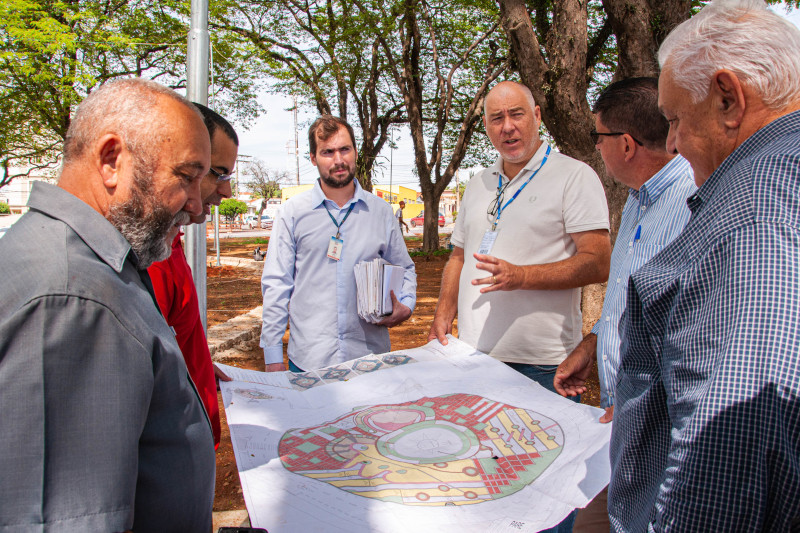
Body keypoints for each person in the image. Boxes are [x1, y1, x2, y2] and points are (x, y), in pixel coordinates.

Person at [608, 1, 800, 530]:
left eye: (673, 121)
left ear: (727, 98)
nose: (669, 143)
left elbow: (730, 442)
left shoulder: (750, 215)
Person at [0, 79, 215, 530]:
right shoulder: (73, 301)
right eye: (186, 176)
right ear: (112, 160)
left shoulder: (89, 268)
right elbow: (63, 517)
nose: (197, 206)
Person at [552, 77, 696, 532]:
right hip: (620, 425)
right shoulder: (637, 200)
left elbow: (688, 329)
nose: (597, 148)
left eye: (599, 137)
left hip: (661, 432)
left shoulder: (696, 199)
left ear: (627, 144)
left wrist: (639, 403)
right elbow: (630, 297)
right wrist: (592, 344)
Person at [428, 80, 611, 395]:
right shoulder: (477, 184)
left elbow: (598, 263)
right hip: (473, 356)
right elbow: (458, 257)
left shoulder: (575, 176)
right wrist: (444, 312)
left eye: (517, 114)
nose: (507, 127)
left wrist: (523, 276)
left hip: (543, 365)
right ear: (486, 125)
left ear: (537, 116)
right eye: (496, 118)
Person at [260, 115, 417, 372]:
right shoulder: (292, 214)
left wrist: (407, 305)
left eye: (345, 149)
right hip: (309, 362)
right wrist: (273, 356)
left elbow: (405, 268)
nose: (338, 160)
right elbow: (277, 285)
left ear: (355, 152)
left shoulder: (380, 212)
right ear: (313, 158)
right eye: (327, 152)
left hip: (370, 359)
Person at [148, 103, 237, 449]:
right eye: (218, 173)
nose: (225, 192)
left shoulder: (171, 243)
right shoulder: (149, 256)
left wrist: (195, 364)